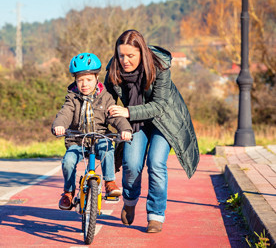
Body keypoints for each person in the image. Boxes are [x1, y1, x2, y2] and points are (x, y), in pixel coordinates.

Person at [105, 30, 200, 233]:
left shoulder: (160, 66)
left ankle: (155, 215)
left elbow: (160, 106)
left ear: (142, 52)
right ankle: (130, 201)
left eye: (130, 56)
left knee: (156, 163)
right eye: (121, 55)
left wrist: (127, 111)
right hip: (135, 121)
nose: (125, 61)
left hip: (164, 120)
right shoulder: (113, 69)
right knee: (131, 164)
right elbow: (105, 100)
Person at [52, 52, 132, 210]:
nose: (84, 84)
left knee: (107, 148)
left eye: (88, 79)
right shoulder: (72, 98)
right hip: (77, 140)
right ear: (75, 80)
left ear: (97, 78)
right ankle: (68, 192)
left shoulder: (106, 97)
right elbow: (65, 113)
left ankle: (109, 182)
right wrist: (59, 125)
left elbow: (115, 117)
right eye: (80, 80)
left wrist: (125, 129)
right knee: (68, 162)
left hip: (99, 137)